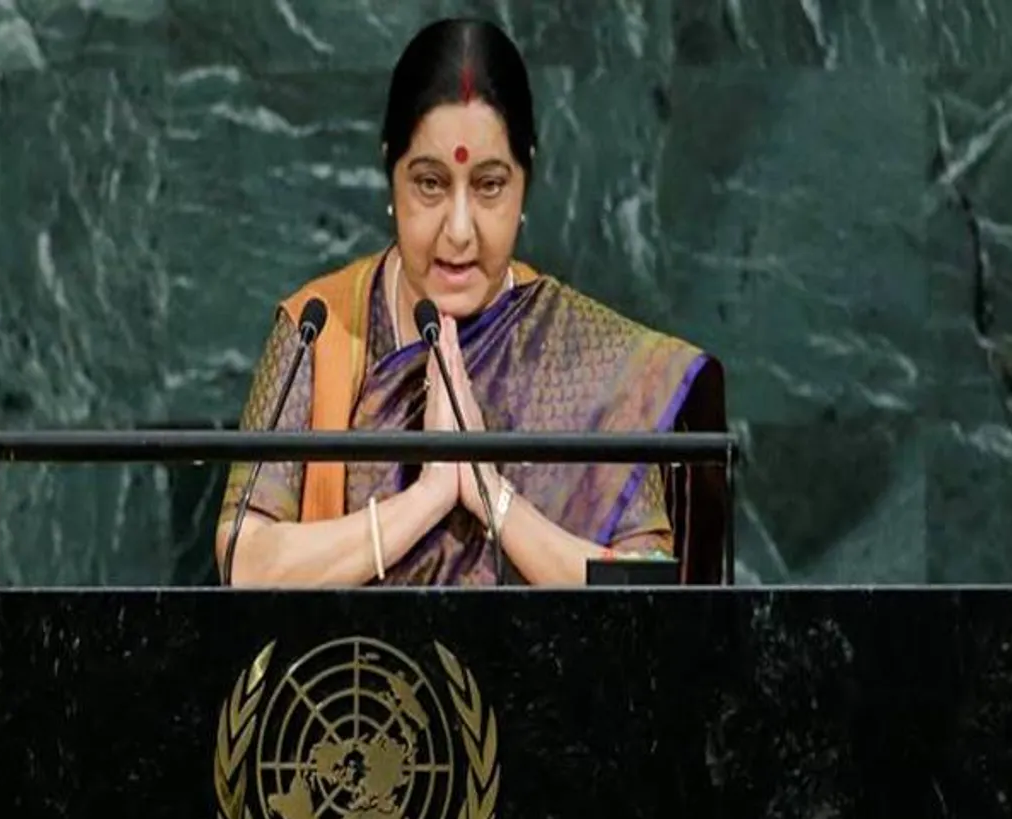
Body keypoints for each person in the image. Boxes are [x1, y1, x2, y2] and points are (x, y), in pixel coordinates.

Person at [216, 17, 724, 588]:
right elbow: (244, 560)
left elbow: (650, 589)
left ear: (526, 180)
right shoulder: (319, 328)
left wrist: (492, 496)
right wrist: (428, 499)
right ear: (391, 174)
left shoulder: (596, 364)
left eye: (488, 186)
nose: (459, 231)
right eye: (430, 183)